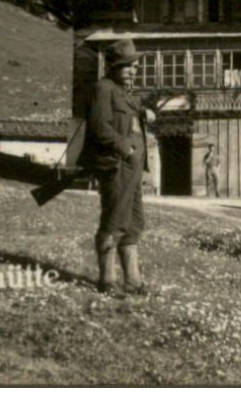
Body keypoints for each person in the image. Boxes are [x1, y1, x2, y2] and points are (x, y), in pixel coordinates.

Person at [85, 38, 148, 296]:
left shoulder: (122, 93)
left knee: (134, 223)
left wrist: (143, 114)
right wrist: (126, 148)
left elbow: (125, 119)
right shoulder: (103, 88)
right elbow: (100, 127)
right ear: (112, 66)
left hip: (132, 168)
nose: (134, 71)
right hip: (117, 165)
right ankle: (108, 280)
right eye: (127, 66)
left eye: (135, 66)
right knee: (114, 222)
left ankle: (133, 281)